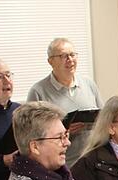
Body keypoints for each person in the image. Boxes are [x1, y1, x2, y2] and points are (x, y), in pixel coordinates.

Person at [26, 38, 103, 168]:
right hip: (62, 166)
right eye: (63, 56)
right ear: (50, 61)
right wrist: (62, 131)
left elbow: (103, 118)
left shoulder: (88, 83)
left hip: (93, 160)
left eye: (72, 54)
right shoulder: (38, 91)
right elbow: (33, 135)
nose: (70, 59)